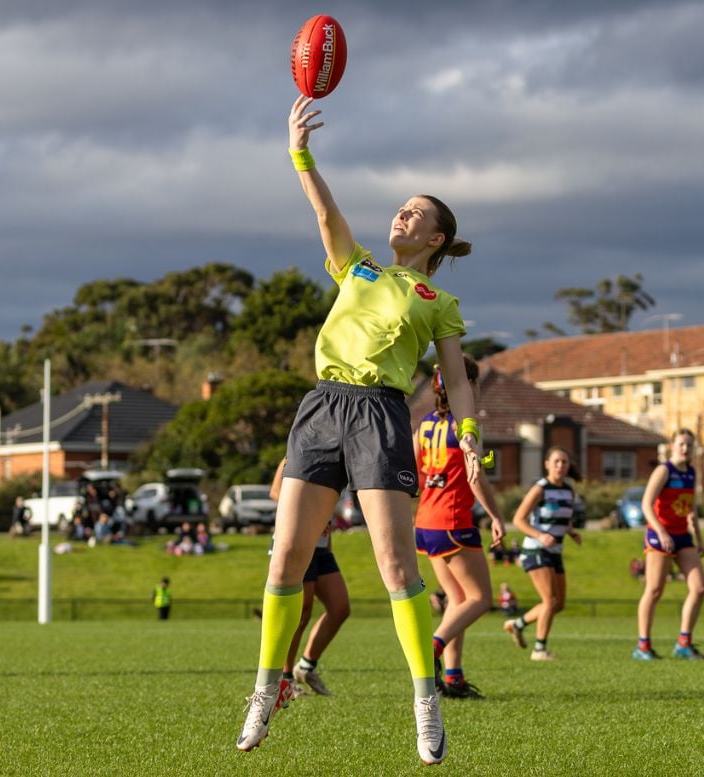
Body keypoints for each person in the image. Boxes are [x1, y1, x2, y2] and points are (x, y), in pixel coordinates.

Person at [237, 95, 484, 766]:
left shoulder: (437, 300)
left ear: (435, 239)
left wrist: (467, 430)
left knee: (395, 565)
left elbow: (455, 377)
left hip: (379, 412)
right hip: (322, 406)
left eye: (417, 212)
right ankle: (267, 688)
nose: (402, 214)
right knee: (287, 556)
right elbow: (323, 211)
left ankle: (425, 701)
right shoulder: (361, 264)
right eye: (401, 207)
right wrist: (299, 151)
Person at [415, 358, 506, 699]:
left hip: (426, 521)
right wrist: (496, 516)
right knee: (481, 599)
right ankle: (431, 650)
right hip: (453, 522)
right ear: (466, 385)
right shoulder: (464, 426)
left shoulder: (424, 425)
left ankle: (453, 677)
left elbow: (417, 472)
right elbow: (476, 475)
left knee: (457, 599)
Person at [269, 460, 351, 700]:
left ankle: (306, 666)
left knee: (340, 607)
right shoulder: (292, 454)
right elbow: (276, 492)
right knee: (300, 612)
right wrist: (312, 515)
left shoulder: (337, 454)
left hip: (322, 546)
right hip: (295, 540)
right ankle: (285, 679)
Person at [633, 428, 704, 661]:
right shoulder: (664, 470)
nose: (686, 449)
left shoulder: (692, 472)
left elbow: (690, 508)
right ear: (672, 446)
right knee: (654, 590)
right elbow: (646, 504)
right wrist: (661, 531)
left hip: (683, 537)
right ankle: (643, 646)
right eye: (682, 444)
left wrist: (699, 538)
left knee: (699, 588)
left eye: (690, 445)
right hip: (660, 536)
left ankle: (683, 643)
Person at [505, 447, 583, 662]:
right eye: (556, 461)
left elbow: (562, 517)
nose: (560, 466)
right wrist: (539, 535)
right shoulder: (540, 489)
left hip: (555, 551)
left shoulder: (569, 490)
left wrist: (572, 531)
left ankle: (517, 625)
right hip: (535, 550)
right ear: (546, 464)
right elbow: (518, 519)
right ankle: (539, 650)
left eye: (564, 462)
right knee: (549, 601)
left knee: (559, 604)